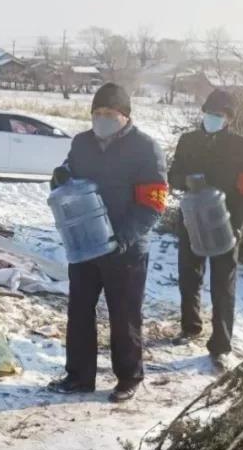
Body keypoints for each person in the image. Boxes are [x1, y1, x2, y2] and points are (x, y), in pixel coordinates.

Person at [47, 82, 168, 402]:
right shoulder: (82, 142)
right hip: (85, 244)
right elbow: (68, 172)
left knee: (124, 314)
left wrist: (123, 237)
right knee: (80, 311)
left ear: (125, 116)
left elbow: (153, 203)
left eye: (109, 113)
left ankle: (128, 376)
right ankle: (79, 376)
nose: (101, 119)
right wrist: (60, 175)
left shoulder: (145, 148)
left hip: (125, 247)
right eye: (97, 113)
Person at [167, 88, 243, 372]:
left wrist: (235, 226)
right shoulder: (188, 141)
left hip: (226, 222)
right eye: (210, 113)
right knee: (189, 275)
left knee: (223, 285)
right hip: (192, 219)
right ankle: (190, 327)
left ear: (229, 119)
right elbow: (173, 174)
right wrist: (185, 180)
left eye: (219, 115)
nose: (213, 118)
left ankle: (220, 345)